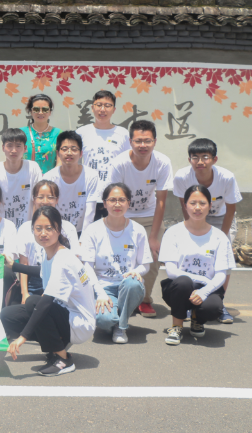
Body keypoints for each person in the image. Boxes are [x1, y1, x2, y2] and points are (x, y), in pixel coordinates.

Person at [0, 206, 96, 377]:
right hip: (66, 315)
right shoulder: (50, 252)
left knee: (34, 302)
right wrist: (13, 266)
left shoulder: (63, 258)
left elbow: (45, 302)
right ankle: (57, 343)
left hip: (79, 324)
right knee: (8, 315)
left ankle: (63, 359)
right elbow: (42, 271)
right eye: (38, 228)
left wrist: (22, 337)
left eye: (49, 228)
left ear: (58, 230)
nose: (43, 233)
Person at [107, 119, 173, 318]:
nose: (143, 145)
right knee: (123, 257)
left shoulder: (162, 162)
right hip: (124, 215)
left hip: (150, 216)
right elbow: (114, 197)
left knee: (152, 256)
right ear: (130, 142)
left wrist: (153, 237)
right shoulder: (119, 163)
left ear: (155, 142)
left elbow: (161, 201)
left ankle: (144, 299)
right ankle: (122, 295)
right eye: (138, 141)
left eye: (147, 141)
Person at [173, 138, 242, 324]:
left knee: (223, 262)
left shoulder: (226, 177)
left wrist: (223, 238)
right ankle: (190, 304)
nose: (200, 161)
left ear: (214, 159)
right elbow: (184, 205)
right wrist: (190, 227)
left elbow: (231, 209)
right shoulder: (181, 177)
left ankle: (219, 302)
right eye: (195, 157)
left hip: (221, 218)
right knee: (192, 257)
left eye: (205, 157)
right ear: (189, 160)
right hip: (194, 217)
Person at [159, 185, 234, 346]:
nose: (197, 208)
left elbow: (221, 274)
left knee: (213, 308)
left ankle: (197, 319)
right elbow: (171, 271)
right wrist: (201, 279)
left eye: (202, 203)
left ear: (210, 206)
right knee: (183, 281)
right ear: (185, 205)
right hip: (179, 288)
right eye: (193, 203)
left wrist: (204, 291)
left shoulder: (220, 237)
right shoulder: (173, 232)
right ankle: (176, 326)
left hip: (207, 288)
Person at [80, 183, 152, 343]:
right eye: (112, 200)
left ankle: (121, 326)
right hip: (104, 286)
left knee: (132, 283)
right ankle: (114, 316)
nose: (117, 204)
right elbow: (87, 266)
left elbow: (145, 265)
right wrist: (100, 294)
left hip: (129, 286)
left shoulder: (138, 230)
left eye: (122, 200)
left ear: (129, 203)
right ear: (104, 203)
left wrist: (136, 272)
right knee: (104, 321)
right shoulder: (93, 230)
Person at [16, 180, 81, 304]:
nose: (45, 201)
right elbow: (24, 263)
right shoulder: (24, 228)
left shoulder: (68, 228)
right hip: (34, 282)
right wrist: (25, 293)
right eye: (40, 197)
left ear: (57, 200)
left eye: (50, 197)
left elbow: (74, 260)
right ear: (34, 199)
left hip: (60, 280)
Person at [76, 90, 131, 219]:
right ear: (92, 108)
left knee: (115, 228)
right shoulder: (81, 132)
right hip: (88, 195)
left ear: (114, 109)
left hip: (114, 196)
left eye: (107, 105)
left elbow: (128, 165)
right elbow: (75, 164)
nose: (102, 109)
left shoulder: (123, 134)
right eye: (99, 105)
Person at [0, 128, 43, 229]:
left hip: (27, 229)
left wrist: (34, 227)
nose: (14, 150)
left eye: (18, 146)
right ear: (3, 148)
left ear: (25, 148)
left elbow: (38, 200)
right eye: (9, 145)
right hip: (0, 230)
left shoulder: (33, 168)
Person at [43, 130, 100, 235]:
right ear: (58, 153)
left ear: (81, 153)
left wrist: (84, 238)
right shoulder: (49, 177)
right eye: (64, 149)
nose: (69, 153)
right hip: (56, 232)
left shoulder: (91, 176)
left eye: (74, 149)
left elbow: (90, 211)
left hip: (82, 232)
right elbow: (48, 210)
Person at [20, 93, 61, 174]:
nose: (41, 113)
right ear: (31, 111)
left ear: (50, 112)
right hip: (26, 179)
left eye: (45, 109)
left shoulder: (58, 133)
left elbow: (61, 161)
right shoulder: (21, 133)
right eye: (36, 109)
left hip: (51, 179)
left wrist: (51, 177)